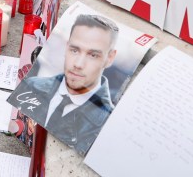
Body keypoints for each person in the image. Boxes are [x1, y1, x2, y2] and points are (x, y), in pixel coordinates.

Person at [13, 13, 118, 154]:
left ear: (109, 58)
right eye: (74, 50)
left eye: (93, 55)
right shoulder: (32, 85)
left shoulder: (107, 125)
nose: (78, 64)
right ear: (67, 46)